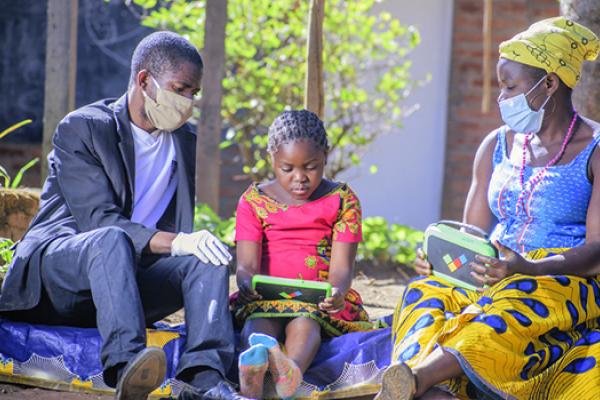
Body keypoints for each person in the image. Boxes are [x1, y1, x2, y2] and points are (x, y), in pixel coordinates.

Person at [0, 32, 243, 400]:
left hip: (125, 287)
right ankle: (129, 367)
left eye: (193, 93)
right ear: (144, 81)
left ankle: (206, 378)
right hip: (61, 281)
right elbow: (98, 221)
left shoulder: (184, 142)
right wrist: (178, 242)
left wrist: (192, 244)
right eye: (181, 89)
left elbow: (174, 233)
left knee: (206, 255)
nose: (188, 102)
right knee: (111, 238)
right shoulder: (84, 128)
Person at [375, 17, 600, 400]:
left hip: (556, 280)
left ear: (549, 83)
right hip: (490, 271)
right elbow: (471, 235)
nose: (502, 98)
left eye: (510, 87)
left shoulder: (594, 149)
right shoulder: (496, 146)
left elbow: (598, 250)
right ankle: (426, 387)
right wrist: (441, 258)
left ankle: (416, 377)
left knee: (512, 303)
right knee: (424, 292)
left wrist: (528, 267)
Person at [231, 110, 373, 399]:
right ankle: (253, 372)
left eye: (311, 167)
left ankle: (289, 373)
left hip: (317, 303)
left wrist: (337, 292)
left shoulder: (342, 200)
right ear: (272, 158)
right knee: (256, 325)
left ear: (326, 156)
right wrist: (245, 284)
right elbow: (245, 265)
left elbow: (342, 269)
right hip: (264, 300)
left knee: (305, 323)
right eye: (287, 168)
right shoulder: (254, 201)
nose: (300, 179)